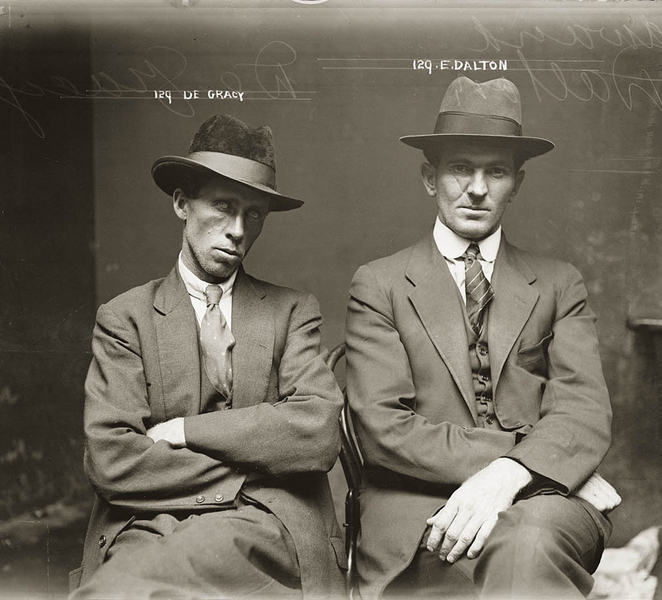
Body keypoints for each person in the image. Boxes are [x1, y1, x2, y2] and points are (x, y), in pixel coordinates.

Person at [344, 77, 621, 600]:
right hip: (422, 509)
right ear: (430, 178)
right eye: (459, 168)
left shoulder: (560, 283)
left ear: (517, 183)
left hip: (545, 508)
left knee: (528, 546)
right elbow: (383, 430)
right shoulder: (379, 284)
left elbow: (584, 413)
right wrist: (526, 462)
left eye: (495, 171)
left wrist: (511, 478)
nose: (476, 188)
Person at [70, 114, 346, 599]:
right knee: (121, 586)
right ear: (182, 203)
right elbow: (112, 461)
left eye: (254, 214)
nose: (237, 230)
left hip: (267, 522)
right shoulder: (125, 318)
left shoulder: (292, 312)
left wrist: (182, 432)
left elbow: (317, 434)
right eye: (223, 207)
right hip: (149, 523)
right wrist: (261, 462)